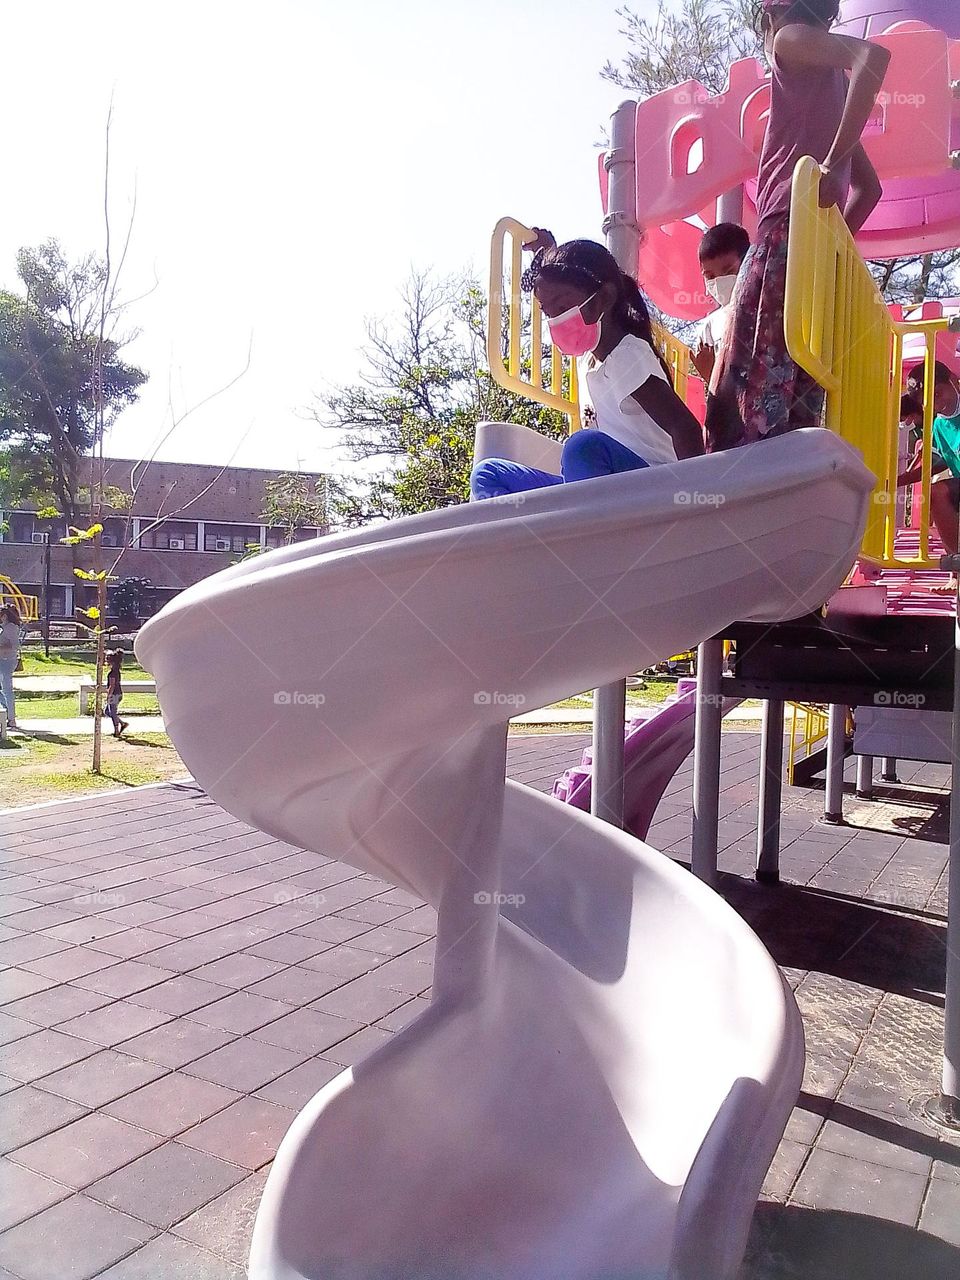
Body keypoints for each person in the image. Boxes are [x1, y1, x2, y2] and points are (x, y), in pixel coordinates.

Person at [705, 0, 890, 452]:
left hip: (781, 233)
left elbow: (873, 56)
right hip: (813, 254)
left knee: (740, 385)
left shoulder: (787, 40)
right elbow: (870, 189)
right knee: (790, 386)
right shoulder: (831, 87)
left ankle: (740, 494)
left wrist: (828, 163)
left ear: (771, 17)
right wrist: (831, 246)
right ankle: (784, 489)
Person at [470, 233, 704, 500]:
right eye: (549, 313)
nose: (556, 321)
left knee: (582, 448)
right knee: (488, 473)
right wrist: (549, 251)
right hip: (603, 492)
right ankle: (549, 534)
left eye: (562, 308)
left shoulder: (627, 355)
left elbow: (685, 426)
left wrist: (693, 500)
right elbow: (570, 277)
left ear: (603, 298)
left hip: (651, 490)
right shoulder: (590, 361)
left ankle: (581, 528)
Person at [897, 362, 960, 558]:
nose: (936, 402)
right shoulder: (939, 426)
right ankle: (956, 562)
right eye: (928, 400)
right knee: (936, 493)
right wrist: (897, 481)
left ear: (953, 381)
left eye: (938, 393)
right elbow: (936, 463)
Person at [691, 223, 751, 388]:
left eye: (729, 271)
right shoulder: (709, 328)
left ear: (748, 263)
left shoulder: (768, 311)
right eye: (709, 276)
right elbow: (713, 394)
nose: (719, 282)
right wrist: (710, 376)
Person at [0, 605, 21, 730]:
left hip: (6, 661)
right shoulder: (4, 628)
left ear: (5, 615)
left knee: (7, 690)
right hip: (3, 660)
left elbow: (13, 646)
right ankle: (6, 713)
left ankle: (11, 718)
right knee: (3, 690)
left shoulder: (11, 628)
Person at [104, 649, 129, 738]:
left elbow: (112, 685)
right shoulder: (116, 671)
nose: (106, 661)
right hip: (118, 694)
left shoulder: (112, 673)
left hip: (114, 695)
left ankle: (116, 731)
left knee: (113, 712)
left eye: (107, 659)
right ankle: (122, 723)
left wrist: (109, 695)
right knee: (107, 711)